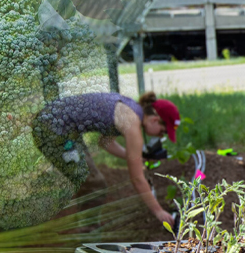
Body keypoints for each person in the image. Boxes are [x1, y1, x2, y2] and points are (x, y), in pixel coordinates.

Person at [34, 91, 174, 226]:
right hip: (52, 129)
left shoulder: (130, 108)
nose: (160, 136)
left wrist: (136, 158)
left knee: (90, 181)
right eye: (163, 132)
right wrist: (159, 211)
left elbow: (105, 143)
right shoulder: (132, 123)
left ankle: (85, 229)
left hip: (57, 125)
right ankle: (88, 240)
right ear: (155, 119)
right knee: (94, 184)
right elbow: (137, 179)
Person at [138, 92, 181, 160]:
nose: (160, 136)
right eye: (161, 131)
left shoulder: (136, 117)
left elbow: (114, 146)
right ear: (154, 120)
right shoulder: (133, 121)